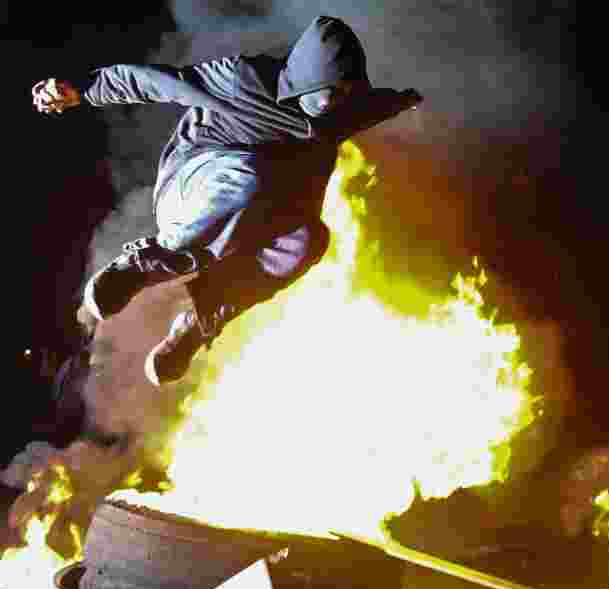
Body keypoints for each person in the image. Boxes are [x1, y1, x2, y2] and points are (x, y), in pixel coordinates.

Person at [32, 15, 422, 386]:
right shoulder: (243, 80)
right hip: (193, 188)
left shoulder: (343, 111)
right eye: (331, 92)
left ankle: (201, 316)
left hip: (249, 214)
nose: (336, 103)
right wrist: (81, 90)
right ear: (305, 80)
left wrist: (410, 97)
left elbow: (378, 103)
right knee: (248, 176)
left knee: (308, 239)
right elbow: (155, 82)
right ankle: (143, 264)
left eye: (345, 95)